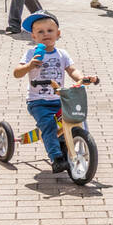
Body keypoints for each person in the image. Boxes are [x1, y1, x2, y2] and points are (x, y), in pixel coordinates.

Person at [13, 11, 97, 174]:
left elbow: (72, 70)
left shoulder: (62, 54)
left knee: (71, 122)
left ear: (58, 34)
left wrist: (82, 78)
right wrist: (29, 66)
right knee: (49, 125)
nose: (46, 34)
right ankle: (57, 158)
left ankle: (65, 145)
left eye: (50, 31)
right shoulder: (31, 54)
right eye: (40, 32)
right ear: (33, 37)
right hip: (38, 102)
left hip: (60, 99)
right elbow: (17, 72)